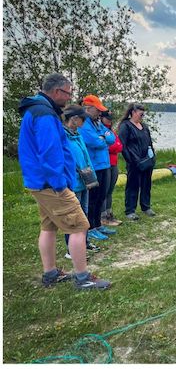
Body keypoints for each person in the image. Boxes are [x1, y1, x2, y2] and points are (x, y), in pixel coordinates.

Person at [17, 73, 110, 290]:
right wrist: (60, 184)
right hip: (51, 184)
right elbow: (50, 153)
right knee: (79, 226)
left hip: (41, 182)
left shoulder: (37, 110)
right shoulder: (44, 114)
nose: (69, 98)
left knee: (48, 226)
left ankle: (50, 273)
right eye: (68, 93)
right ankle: (83, 278)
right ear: (57, 91)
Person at [61, 105, 102, 257]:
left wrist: (92, 176)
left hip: (84, 179)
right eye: (83, 119)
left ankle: (84, 242)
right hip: (72, 181)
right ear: (74, 119)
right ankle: (71, 249)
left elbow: (85, 156)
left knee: (84, 214)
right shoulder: (62, 136)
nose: (84, 122)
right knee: (73, 216)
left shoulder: (77, 135)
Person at [78, 95, 116, 240]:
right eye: (97, 110)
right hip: (93, 166)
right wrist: (103, 139)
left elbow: (111, 137)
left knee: (101, 197)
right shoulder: (84, 124)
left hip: (104, 164)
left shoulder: (97, 123)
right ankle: (91, 227)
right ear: (88, 108)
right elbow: (94, 142)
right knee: (92, 199)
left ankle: (98, 224)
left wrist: (103, 137)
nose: (100, 113)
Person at [118, 103, 156, 221]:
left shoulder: (144, 127)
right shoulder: (126, 126)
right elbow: (123, 145)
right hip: (134, 161)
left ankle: (146, 206)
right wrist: (130, 160)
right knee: (133, 186)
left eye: (143, 114)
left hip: (146, 160)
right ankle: (130, 210)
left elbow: (149, 143)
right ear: (133, 112)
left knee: (146, 184)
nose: (142, 116)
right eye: (140, 114)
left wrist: (152, 157)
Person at [100, 109, 124, 226]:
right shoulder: (100, 130)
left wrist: (113, 146)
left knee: (110, 190)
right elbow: (108, 146)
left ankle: (109, 214)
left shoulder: (111, 132)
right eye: (107, 119)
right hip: (105, 163)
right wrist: (113, 146)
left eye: (111, 119)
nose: (109, 121)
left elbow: (119, 146)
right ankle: (103, 215)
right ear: (101, 118)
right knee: (104, 190)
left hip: (114, 163)